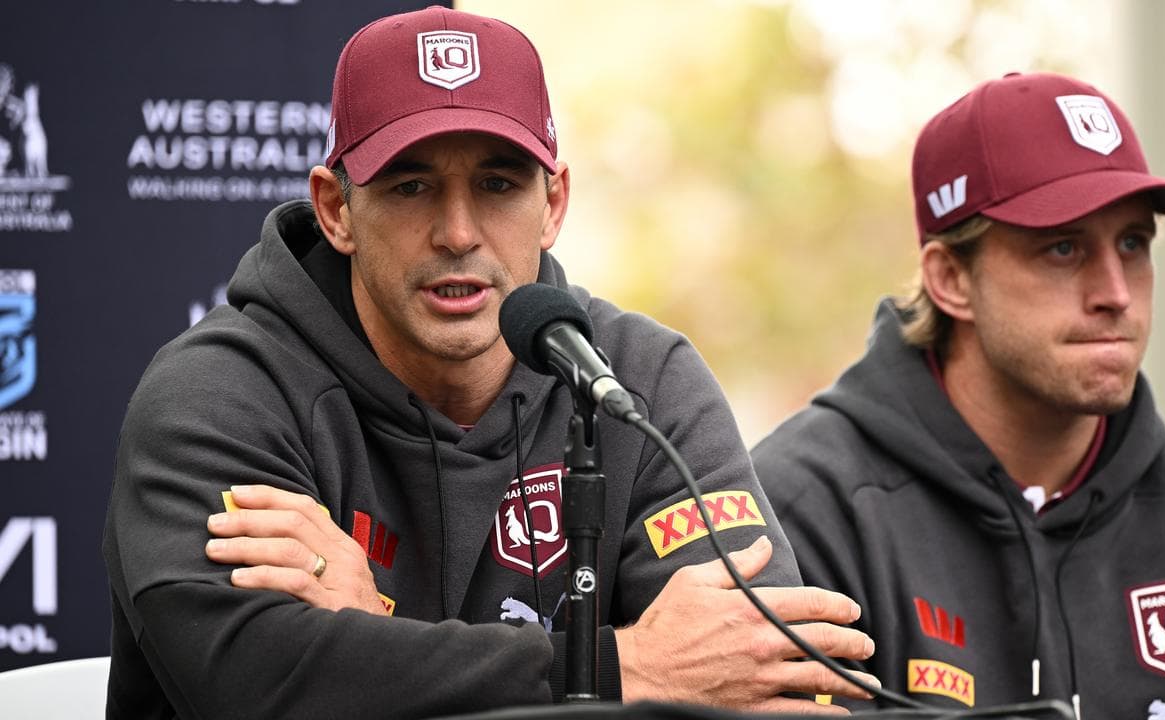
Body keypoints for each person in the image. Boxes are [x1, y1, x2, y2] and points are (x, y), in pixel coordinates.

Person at [101, 6, 878, 719]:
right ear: (337, 209)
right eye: (411, 186)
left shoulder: (638, 382)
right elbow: (250, 686)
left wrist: (374, 637)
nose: (459, 232)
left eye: (499, 184)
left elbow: (769, 685)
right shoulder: (220, 394)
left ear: (554, 204)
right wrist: (621, 671)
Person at [752, 71, 1165, 717]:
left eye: (1134, 244)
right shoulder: (807, 512)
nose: (1115, 291)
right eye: (1062, 248)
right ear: (951, 279)